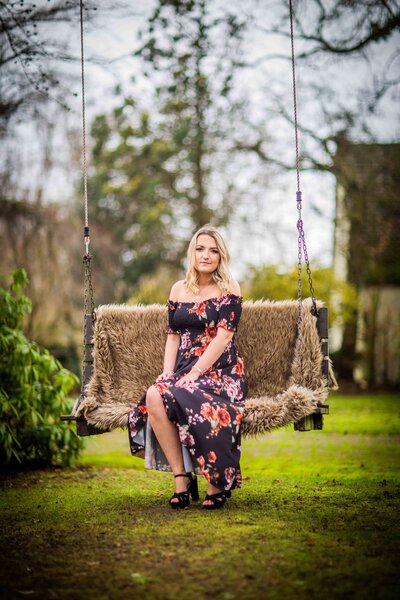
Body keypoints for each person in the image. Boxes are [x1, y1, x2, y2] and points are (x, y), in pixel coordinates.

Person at [128, 224, 248, 510]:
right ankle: (181, 479)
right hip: (183, 370)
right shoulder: (178, 289)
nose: (205, 255)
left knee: (197, 397)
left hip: (221, 371)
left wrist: (196, 373)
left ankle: (216, 481)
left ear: (221, 256)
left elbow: (224, 336)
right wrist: (169, 373)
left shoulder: (229, 287)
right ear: (191, 252)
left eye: (213, 250)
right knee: (155, 395)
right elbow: (172, 336)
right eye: (200, 248)